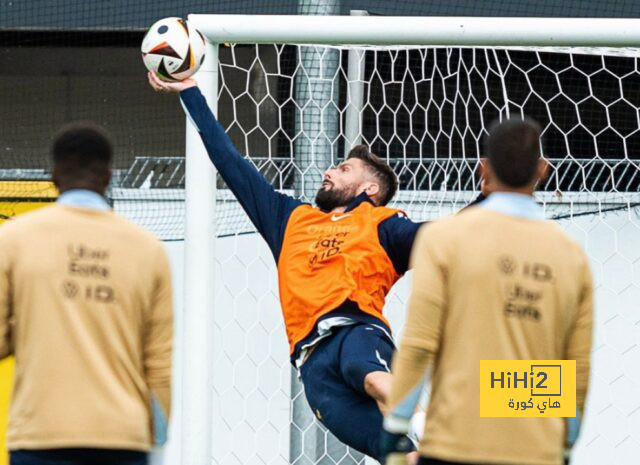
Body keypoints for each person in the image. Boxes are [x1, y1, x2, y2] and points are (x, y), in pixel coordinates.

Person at [149, 72, 488, 459]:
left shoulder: (385, 225)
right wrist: (190, 92)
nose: (329, 171)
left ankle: (435, 427)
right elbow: (230, 162)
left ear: (369, 190)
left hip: (355, 332)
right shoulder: (289, 219)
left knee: (376, 381)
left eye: (343, 169)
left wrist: (494, 195)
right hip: (312, 366)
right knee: (397, 455)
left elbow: (452, 235)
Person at [380, 118, 593, 465]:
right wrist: (566, 441)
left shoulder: (445, 240)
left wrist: (395, 429)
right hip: (534, 447)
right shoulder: (570, 255)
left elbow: (421, 343)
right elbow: (576, 364)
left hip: (456, 441)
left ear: (484, 168)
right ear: (543, 170)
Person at [0, 123, 174, 465]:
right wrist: (157, 440)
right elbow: (159, 362)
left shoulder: (14, 239)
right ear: (108, 176)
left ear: (54, 178)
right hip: (122, 437)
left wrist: (35, 321)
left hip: (40, 433)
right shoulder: (148, 250)